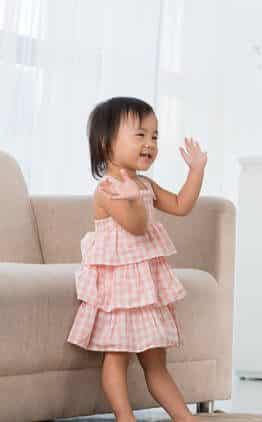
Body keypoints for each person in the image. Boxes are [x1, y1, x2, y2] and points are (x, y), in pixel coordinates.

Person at [67, 97, 207, 422]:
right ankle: (124, 417)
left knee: (156, 362)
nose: (149, 144)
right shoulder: (108, 189)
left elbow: (181, 204)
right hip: (119, 291)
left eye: (155, 136)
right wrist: (133, 201)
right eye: (140, 135)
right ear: (106, 143)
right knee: (116, 357)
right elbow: (136, 225)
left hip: (145, 289)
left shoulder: (144, 184)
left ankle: (185, 417)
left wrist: (196, 172)